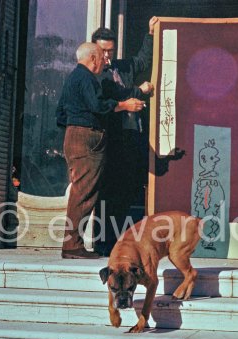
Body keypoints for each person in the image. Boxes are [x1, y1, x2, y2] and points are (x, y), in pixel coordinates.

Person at [56, 42, 145, 259]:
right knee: (84, 192)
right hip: (87, 136)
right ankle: (72, 245)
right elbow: (98, 105)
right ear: (93, 58)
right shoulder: (86, 78)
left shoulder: (73, 78)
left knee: (81, 189)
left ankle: (73, 244)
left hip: (75, 135)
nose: (106, 62)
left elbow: (60, 114)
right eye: (102, 58)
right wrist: (124, 105)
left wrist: (74, 129)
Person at [92, 17, 158, 257]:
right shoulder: (94, 75)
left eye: (111, 51)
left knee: (127, 192)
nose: (107, 56)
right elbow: (111, 97)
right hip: (111, 140)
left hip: (132, 138)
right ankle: (102, 242)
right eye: (103, 51)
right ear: (93, 50)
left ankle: (120, 241)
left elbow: (142, 60)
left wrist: (150, 34)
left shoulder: (123, 66)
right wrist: (138, 92)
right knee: (107, 193)